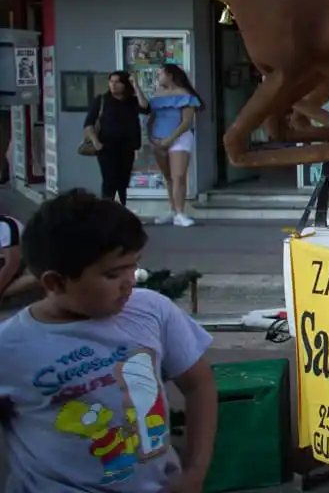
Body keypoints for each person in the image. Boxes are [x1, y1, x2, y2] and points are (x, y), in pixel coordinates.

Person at [0, 189, 217, 492]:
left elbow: (199, 384)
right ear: (55, 282)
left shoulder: (151, 309)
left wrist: (195, 472)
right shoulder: (10, 347)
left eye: (133, 265)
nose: (131, 280)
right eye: (113, 274)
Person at [83, 70, 150, 206]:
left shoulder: (132, 101)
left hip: (127, 145)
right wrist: (96, 142)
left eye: (117, 82)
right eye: (111, 82)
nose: (113, 85)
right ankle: (106, 210)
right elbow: (88, 123)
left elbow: (145, 107)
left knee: (123, 181)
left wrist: (136, 85)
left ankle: (121, 210)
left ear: (125, 84)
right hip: (106, 145)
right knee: (109, 180)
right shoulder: (102, 100)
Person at [148, 64, 203, 227]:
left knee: (178, 175)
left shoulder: (185, 94)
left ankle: (180, 212)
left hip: (179, 138)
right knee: (168, 176)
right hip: (158, 137)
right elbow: (150, 118)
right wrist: (151, 137)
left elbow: (186, 122)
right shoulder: (156, 95)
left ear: (170, 75)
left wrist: (170, 139)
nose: (158, 77)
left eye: (160, 74)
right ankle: (172, 210)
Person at [0, 212, 38, 304]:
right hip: (6, 262)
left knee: (33, 277)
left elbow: (12, 263)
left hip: (22, 262)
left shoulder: (5, 226)